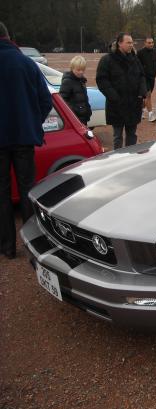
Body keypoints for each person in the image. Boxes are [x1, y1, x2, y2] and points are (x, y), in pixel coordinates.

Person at [0, 21, 52, 259]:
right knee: (27, 189)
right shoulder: (26, 63)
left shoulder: (25, 63)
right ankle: (33, 243)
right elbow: (45, 100)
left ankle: (7, 246)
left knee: (1, 192)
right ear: (8, 36)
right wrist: (33, 121)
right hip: (23, 135)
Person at [96, 33, 147, 149]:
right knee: (117, 136)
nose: (131, 45)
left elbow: (142, 76)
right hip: (117, 105)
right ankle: (118, 159)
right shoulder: (107, 60)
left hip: (133, 103)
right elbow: (102, 80)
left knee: (132, 134)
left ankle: (131, 156)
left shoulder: (135, 59)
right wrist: (114, 97)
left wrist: (141, 93)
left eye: (132, 42)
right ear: (120, 43)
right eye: (128, 42)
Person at [59, 55, 92, 125]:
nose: (81, 72)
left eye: (83, 70)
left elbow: (84, 98)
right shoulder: (68, 81)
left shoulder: (81, 80)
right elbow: (62, 100)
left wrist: (88, 110)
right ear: (72, 68)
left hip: (82, 116)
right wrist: (75, 110)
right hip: (74, 117)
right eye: (78, 70)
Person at [137, 36, 156, 122]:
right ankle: (151, 115)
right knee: (148, 95)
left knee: (146, 96)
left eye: (152, 42)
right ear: (145, 43)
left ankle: (140, 112)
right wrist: (141, 73)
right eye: (149, 43)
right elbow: (136, 64)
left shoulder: (155, 52)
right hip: (143, 77)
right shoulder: (140, 53)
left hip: (152, 77)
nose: (151, 44)